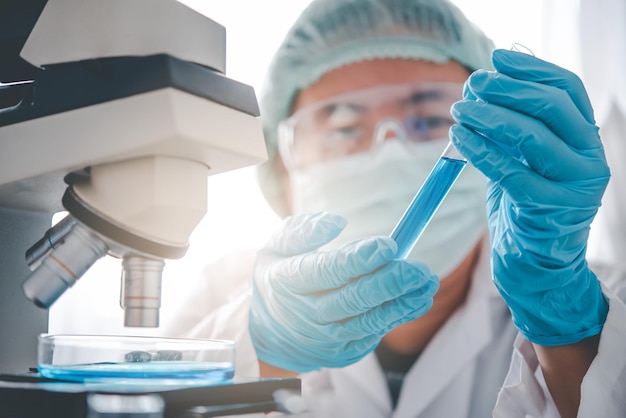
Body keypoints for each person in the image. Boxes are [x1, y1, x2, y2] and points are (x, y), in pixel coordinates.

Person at [166, 0, 626, 417]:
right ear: (284, 170)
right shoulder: (221, 303)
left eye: (428, 119)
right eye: (344, 128)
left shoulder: (602, 303)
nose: (389, 152)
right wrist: (263, 350)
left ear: (497, 139)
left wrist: (565, 329)